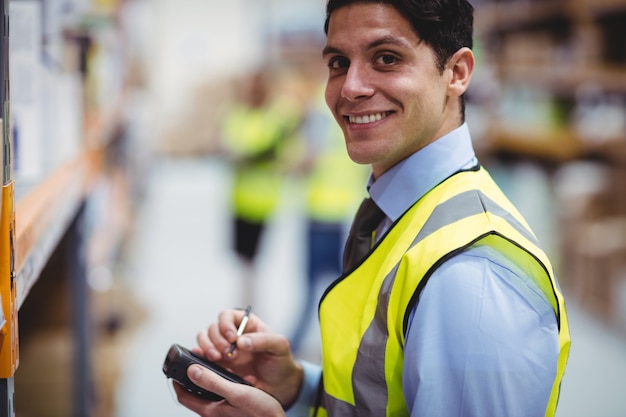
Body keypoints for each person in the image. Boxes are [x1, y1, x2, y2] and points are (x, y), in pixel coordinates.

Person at [174, 1, 571, 416]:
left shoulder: (471, 279)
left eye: (386, 58)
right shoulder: (402, 213)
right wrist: (299, 387)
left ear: (456, 73)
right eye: (338, 62)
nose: (350, 88)